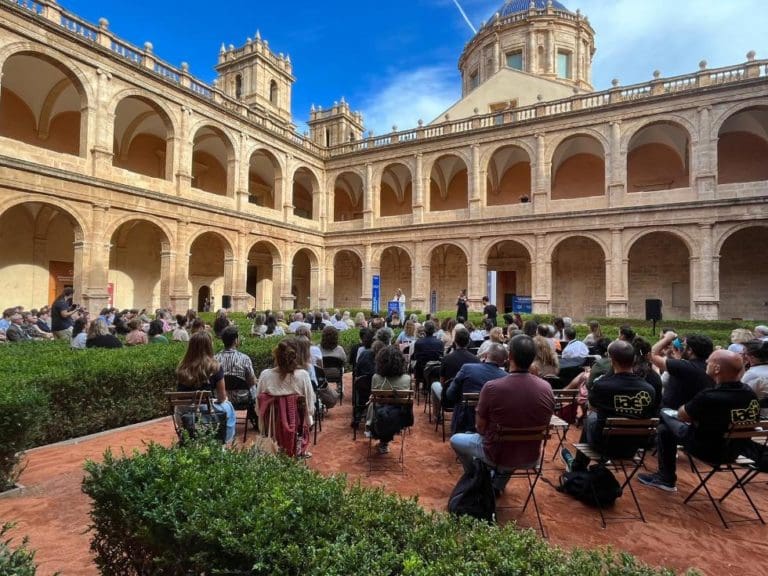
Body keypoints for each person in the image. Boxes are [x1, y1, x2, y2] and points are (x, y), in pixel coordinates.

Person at [639, 350, 760, 492]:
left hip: (707, 450)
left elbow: (682, 415)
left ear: (717, 369)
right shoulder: (750, 394)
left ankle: (666, 477)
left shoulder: (709, 396)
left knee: (664, 418)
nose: (706, 364)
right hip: (736, 451)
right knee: (669, 426)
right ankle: (665, 477)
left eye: (709, 362)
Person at [450, 335, 554, 496]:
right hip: (530, 457)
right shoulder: (547, 388)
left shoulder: (492, 387)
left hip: (497, 454)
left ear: (510, 356)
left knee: (456, 439)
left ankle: (475, 477)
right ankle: (497, 485)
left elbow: (480, 427)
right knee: (513, 444)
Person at [565, 340, 657, 472]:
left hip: (604, 447)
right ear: (634, 359)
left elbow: (591, 407)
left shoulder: (602, 385)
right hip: (632, 448)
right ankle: (577, 466)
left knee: (591, 417)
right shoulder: (649, 390)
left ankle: (578, 466)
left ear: (611, 361)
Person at [256, 339, 315, 455]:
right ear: (295, 356)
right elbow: (310, 408)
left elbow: (258, 409)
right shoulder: (303, 376)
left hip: (271, 431)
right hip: (296, 432)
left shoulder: (265, 375)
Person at [176, 331, 236, 444]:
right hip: (206, 410)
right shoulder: (215, 366)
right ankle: (226, 439)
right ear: (209, 346)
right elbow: (222, 397)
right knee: (228, 405)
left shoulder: (182, 367)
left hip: (182, 412)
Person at [446, 343, 509, 434]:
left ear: (486, 355)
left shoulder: (467, 368)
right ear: (503, 361)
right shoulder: (506, 377)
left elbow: (450, 394)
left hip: (463, 426)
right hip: (492, 430)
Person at [651, 331, 714, 409]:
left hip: (672, 415)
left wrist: (667, 338)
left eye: (683, 346)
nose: (681, 348)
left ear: (690, 350)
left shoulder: (685, 366)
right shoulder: (710, 368)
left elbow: (651, 354)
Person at [368, 345, 412, 454]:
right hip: (400, 418)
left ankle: (380, 439)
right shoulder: (407, 379)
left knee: (374, 405)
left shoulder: (376, 378)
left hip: (379, 417)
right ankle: (384, 442)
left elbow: (374, 398)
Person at [430, 328, 480, 418]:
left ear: (455, 341)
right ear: (468, 342)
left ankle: (436, 416)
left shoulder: (447, 358)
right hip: (469, 398)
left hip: (449, 399)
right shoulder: (476, 359)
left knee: (434, 385)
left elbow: (442, 382)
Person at [215, 325, 257, 399]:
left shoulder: (215, 359)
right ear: (235, 340)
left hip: (221, 398)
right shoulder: (245, 359)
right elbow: (252, 381)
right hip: (242, 399)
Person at [742, 339, 768, 418]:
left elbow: (740, 397)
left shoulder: (752, 374)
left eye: (744, 353)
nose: (741, 355)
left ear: (752, 358)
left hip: (761, 421)